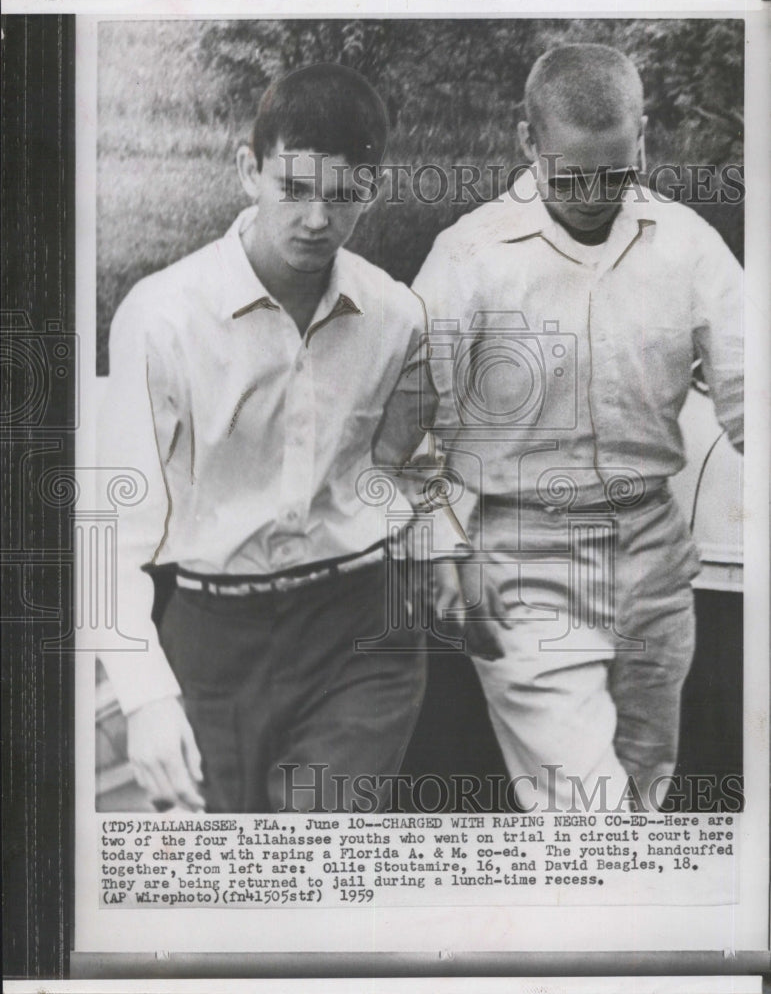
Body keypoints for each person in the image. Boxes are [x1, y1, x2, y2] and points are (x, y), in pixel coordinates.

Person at [413, 43, 743, 811]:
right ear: (526, 140)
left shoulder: (688, 245)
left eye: (615, 171)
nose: (593, 194)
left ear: (643, 136)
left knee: (642, 786)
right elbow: (406, 422)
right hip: (522, 557)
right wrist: (439, 546)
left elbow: (748, 393)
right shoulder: (468, 258)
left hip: (655, 555)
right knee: (590, 816)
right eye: (570, 176)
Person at [99, 63, 436, 814]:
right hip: (211, 638)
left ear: (373, 189)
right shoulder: (160, 319)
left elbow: (406, 471)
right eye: (294, 188)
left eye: (344, 194)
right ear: (248, 169)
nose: (318, 219)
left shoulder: (396, 316)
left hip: (359, 635)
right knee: (224, 891)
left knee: (313, 867)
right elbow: (110, 535)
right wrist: (146, 698)